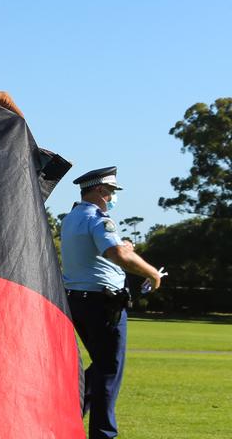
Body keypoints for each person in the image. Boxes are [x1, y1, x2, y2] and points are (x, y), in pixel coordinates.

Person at [61, 166, 163, 439]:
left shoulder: (72, 217)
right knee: (109, 370)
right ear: (100, 190)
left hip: (78, 300)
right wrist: (152, 273)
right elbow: (116, 253)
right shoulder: (99, 219)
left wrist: (123, 247)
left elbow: (104, 251)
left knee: (103, 364)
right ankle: (103, 434)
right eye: (111, 191)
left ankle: (69, 414)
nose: (113, 196)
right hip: (102, 304)